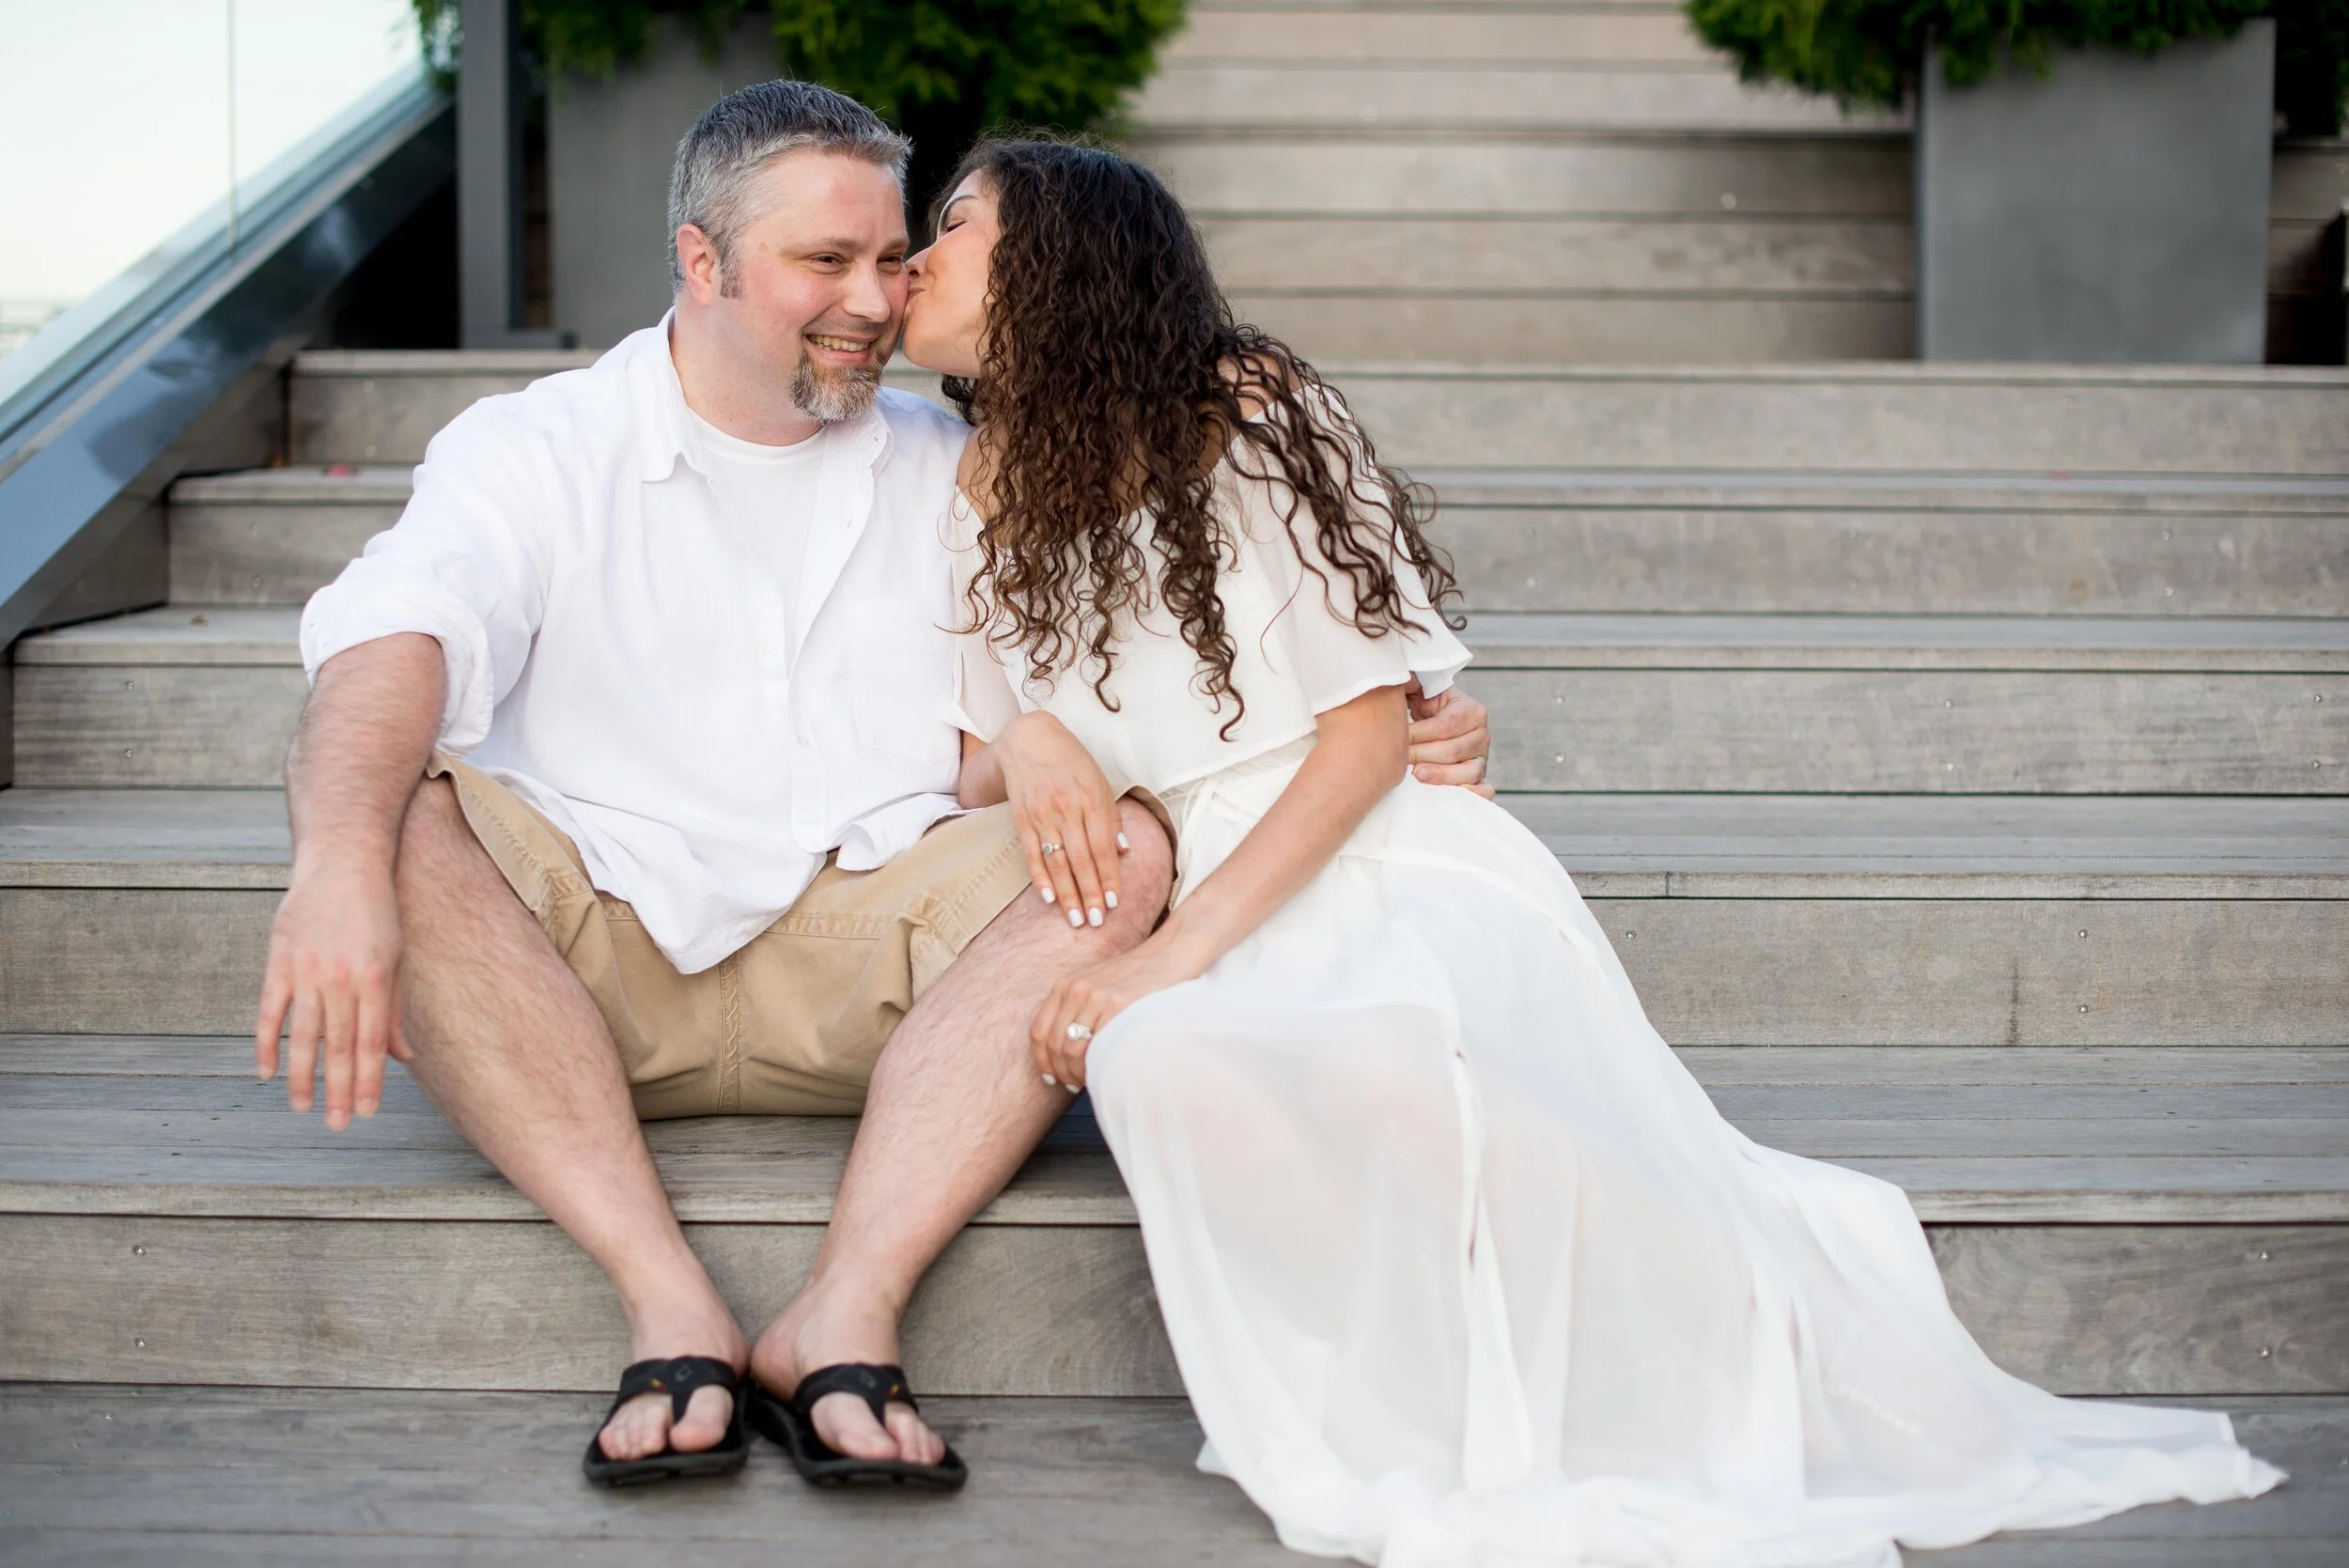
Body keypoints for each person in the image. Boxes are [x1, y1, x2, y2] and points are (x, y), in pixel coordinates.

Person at [902, 135, 2284, 1566]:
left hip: (1370, 851)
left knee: (1381, 1067)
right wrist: (1046, 749)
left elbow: (1372, 737)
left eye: (953, 226)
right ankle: (1426, 1419)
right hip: (1200, 882)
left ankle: (1768, 1330)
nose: (919, 254)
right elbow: (982, 754)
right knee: (1161, 1061)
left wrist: (1175, 953)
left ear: (1064, 260)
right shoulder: (978, 483)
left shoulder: (1246, 404)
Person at [258, 83, 1494, 1487]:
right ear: (702, 261)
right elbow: (389, 639)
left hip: (870, 961)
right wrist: (338, 868)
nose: (874, 299)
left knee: (1124, 852)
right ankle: (669, 1301)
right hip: (581, 968)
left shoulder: (962, 466)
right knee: (394, 805)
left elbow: (1170, 656)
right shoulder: (538, 448)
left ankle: (847, 1305)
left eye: (893, 257)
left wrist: (1393, 717)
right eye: (823, 263)